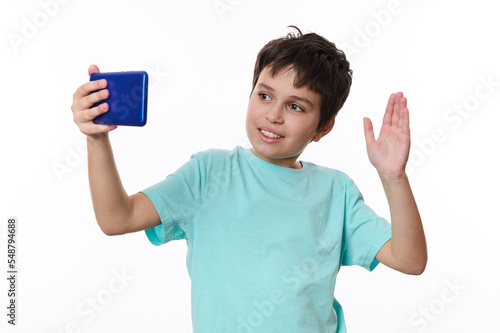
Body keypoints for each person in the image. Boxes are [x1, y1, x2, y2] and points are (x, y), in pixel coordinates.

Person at [71, 27, 427, 332]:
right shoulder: (208, 173)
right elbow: (117, 218)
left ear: (324, 127)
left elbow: (410, 260)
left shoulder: (337, 191)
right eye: (265, 95)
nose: (273, 115)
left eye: (296, 106)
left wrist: (393, 177)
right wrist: (96, 139)